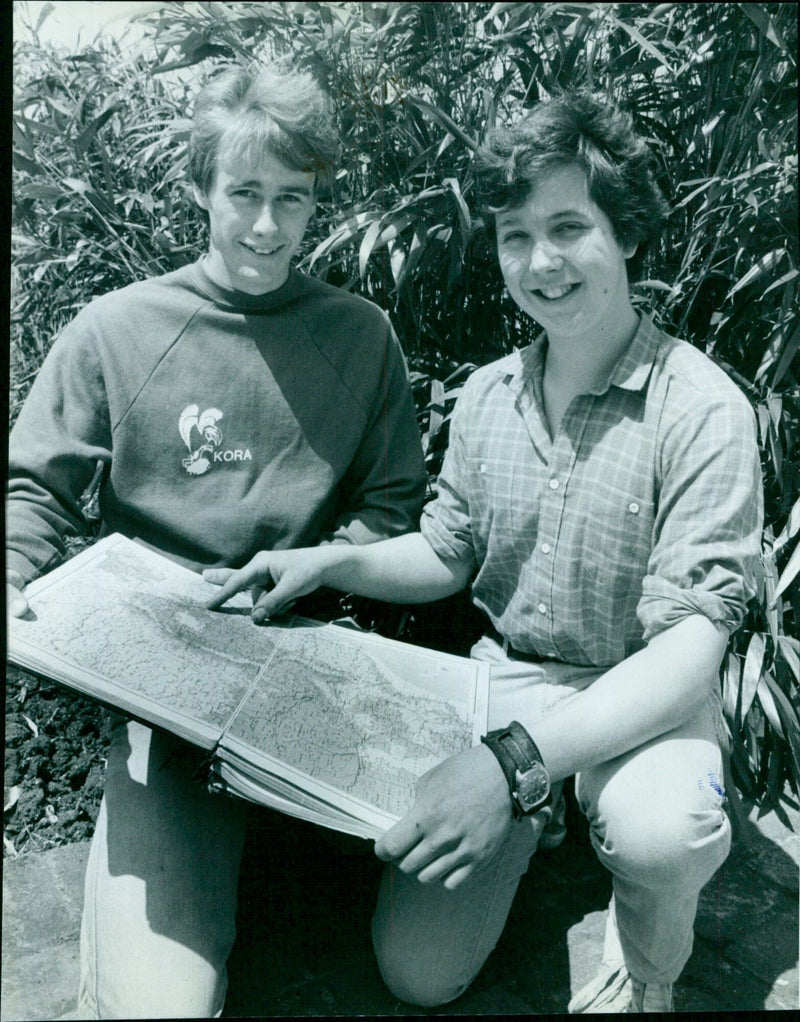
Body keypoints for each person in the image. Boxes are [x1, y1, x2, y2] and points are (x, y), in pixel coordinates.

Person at [205, 91, 764, 1013]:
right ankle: (545, 813)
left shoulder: (701, 409)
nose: (540, 262)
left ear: (626, 232)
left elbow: (690, 652)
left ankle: (648, 968)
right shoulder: (489, 395)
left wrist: (506, 766)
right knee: (419, 978)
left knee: (665, 830)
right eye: (514, 236)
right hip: (505, 683)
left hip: (645, 692)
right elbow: (448, 552)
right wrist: (329, 563)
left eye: (568, 226)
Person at [6, 63, 426, 1018]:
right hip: (161, 683)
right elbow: (34, 488)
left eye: (293, 199)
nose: (267, 226)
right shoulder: (116, 329)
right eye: (244, 193)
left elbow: (392, 508)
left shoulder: (359, 336)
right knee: (165, 1005)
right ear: (201, 187)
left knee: (414, 956)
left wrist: (324, 567)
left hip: (306, 664)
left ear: (318, 203)